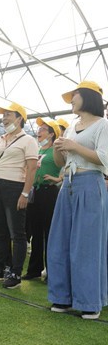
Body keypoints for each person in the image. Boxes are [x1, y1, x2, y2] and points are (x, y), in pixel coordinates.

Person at [48, 81, 108, 320]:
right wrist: (58, 148)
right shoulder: (72, 126)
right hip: (68, 186)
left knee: (86, 245)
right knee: (59, 241)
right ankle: (61, 297)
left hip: (90, 184)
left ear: (89, 97)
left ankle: (89, 301)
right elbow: (62, 162)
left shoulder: (103, 124)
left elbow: (104, 158)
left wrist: (73, 145)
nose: (71, 100)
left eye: (75, 95)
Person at [0, 102, 38, 289]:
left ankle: (15, 273)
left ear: (20, 118)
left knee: (17, 233)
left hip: (15, 187)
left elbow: (32, 168)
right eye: (3, 115)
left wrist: (25, 193)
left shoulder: (28, 140)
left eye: (8, 114)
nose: (4, 118)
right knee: (0, 231)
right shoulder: (1, 139)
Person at [23, 118, 62, 280]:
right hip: (35, 193)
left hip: (49, 192)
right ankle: (34, 270)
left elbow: (67, 166)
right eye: (39, 129)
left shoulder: (57, 150)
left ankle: (51, 272)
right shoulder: (37, 150)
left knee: (49, 233)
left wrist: (58, 179)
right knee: (36, 233)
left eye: (44, 129)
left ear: (52, 134)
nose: (39, 131)